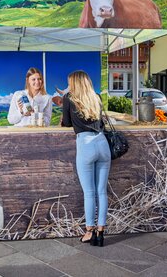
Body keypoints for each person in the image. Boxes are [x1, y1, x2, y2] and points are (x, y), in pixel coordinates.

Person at [61, 70, 111, 247]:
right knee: (102, 192)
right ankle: (101, 232)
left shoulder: (69, 97)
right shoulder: (96, 96)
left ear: (74, 83)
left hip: (86, 145)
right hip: (103, 144)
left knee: (89, 193)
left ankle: (89, 232)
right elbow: (101, 123)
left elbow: (67, 122)